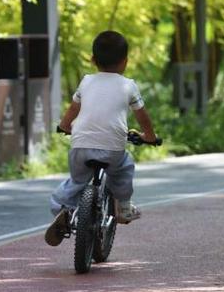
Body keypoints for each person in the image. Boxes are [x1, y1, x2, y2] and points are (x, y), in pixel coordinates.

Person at [44, 30, 158, 246]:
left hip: (80, 146)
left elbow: (73, 110)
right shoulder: (128, 85)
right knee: (124, 168)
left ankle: (62, 209)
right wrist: (149, 136)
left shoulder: (86, 82)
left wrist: (64, 126)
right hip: (112, 149)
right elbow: (142, 115)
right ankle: (123, 207)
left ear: (93, 60)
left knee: (77, 181)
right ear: (125, 62)